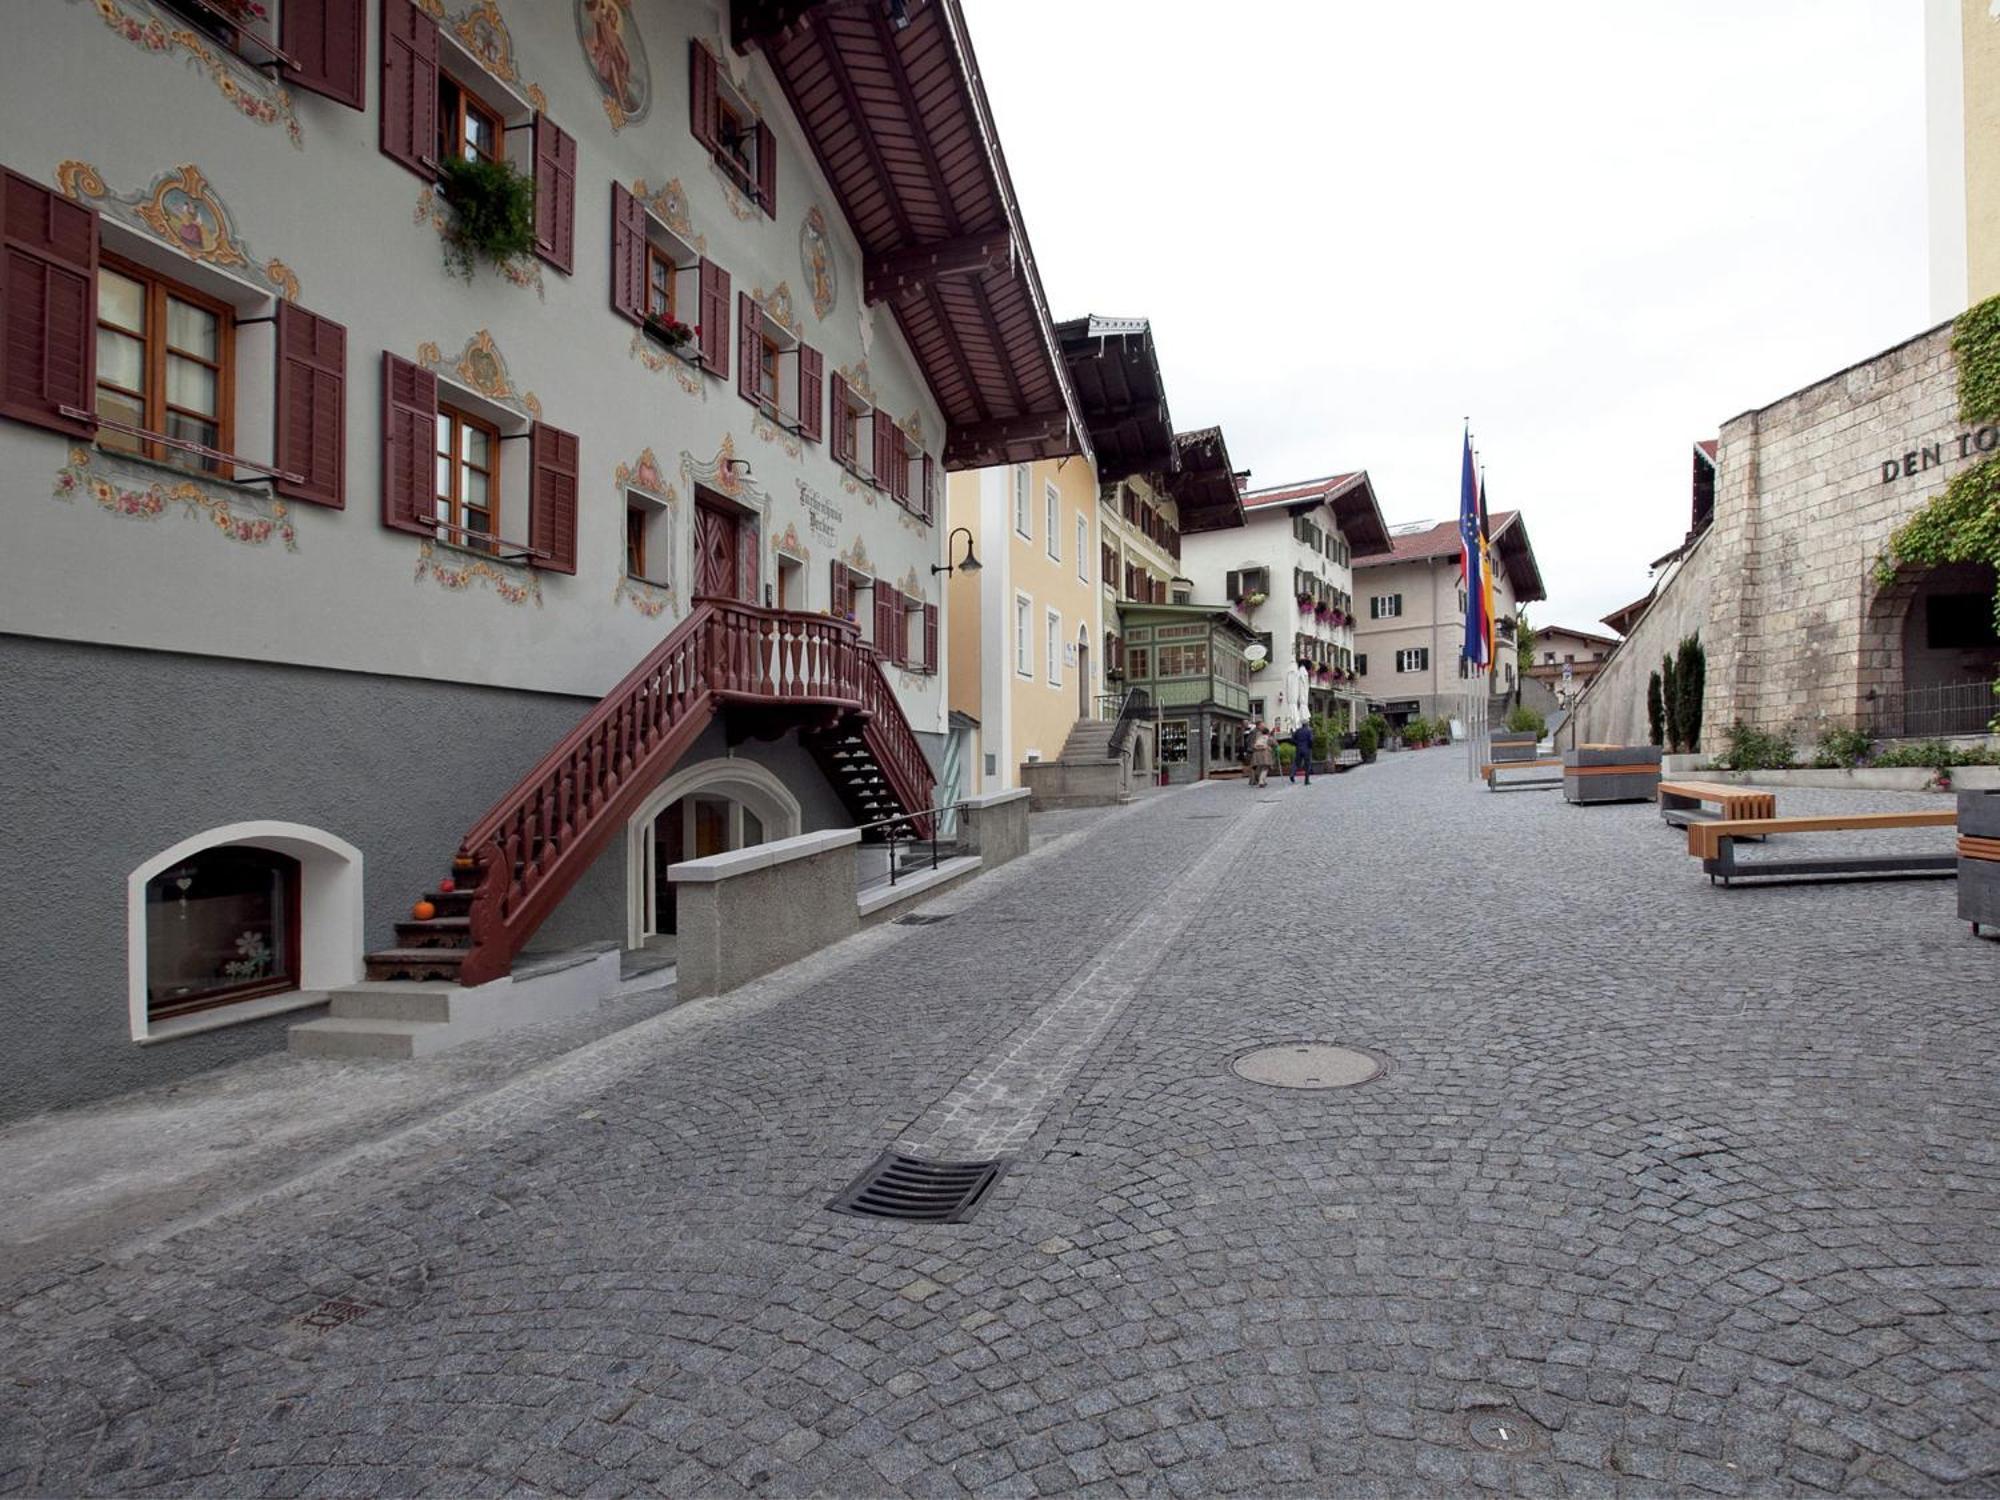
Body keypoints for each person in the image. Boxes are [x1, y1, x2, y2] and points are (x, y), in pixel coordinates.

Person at [1290, 719, 1314, 785]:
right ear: (1307, 724)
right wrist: (1310, 746)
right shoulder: (1309, 731)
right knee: (1307, 765)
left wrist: (1297, 743)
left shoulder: (1298, 731)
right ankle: (1306, 780)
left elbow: (1292, 739)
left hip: (1299, 749)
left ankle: (1292, 774)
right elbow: (1311, 740)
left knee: (1297, 763)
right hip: (1307, 749)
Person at [1249, 721, 1273, 787]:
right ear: (1258, 725)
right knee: (1257, 767)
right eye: (1262, 725)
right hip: (1256, 751)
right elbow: (1252, 742)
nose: (1264, 726)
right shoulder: (1255, 732)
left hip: (1257, 751)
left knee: (1258, 767)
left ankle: (1259, 780)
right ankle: (1256, 781)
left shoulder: (1258, 732)